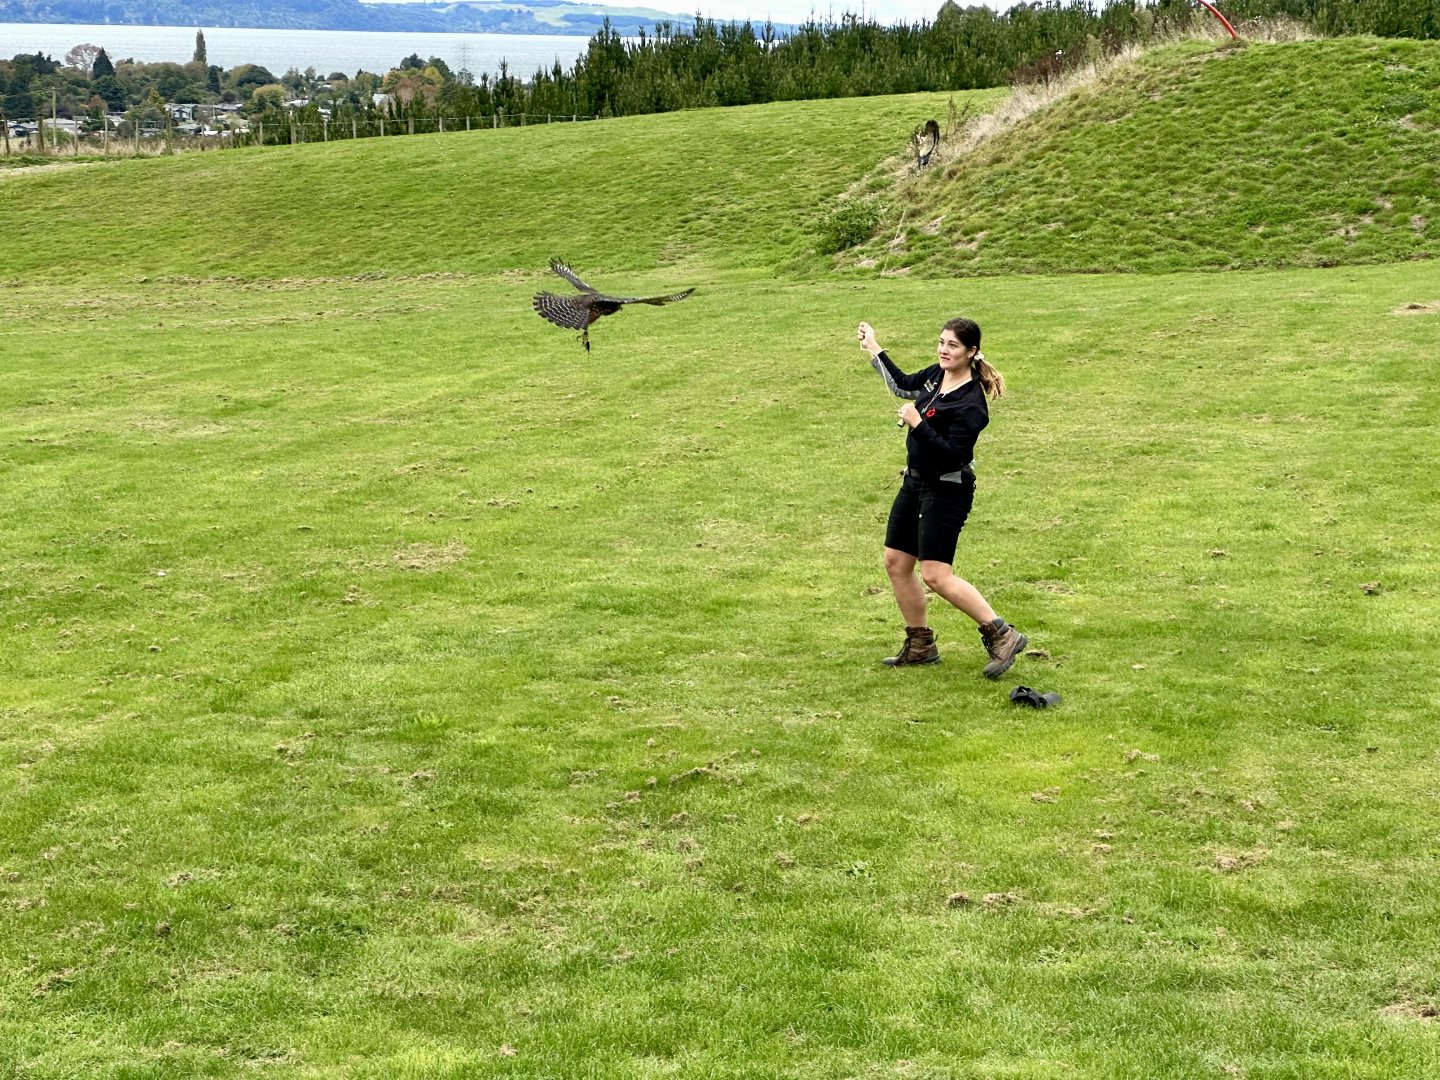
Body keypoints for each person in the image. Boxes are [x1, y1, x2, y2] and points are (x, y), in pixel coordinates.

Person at [857, 317, 1027, 676]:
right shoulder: (936, 375)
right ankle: (921, 643)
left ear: (972, 352)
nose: (944, 350)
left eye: (952, 345)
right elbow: (904, 387)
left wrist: (919, 424)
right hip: (915, 482)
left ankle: (1002, 634)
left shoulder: (971, 404)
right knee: (896, 562)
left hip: (948, 488)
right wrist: (874, 347)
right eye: (941, 342)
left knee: (935, 574)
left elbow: (954, 456)